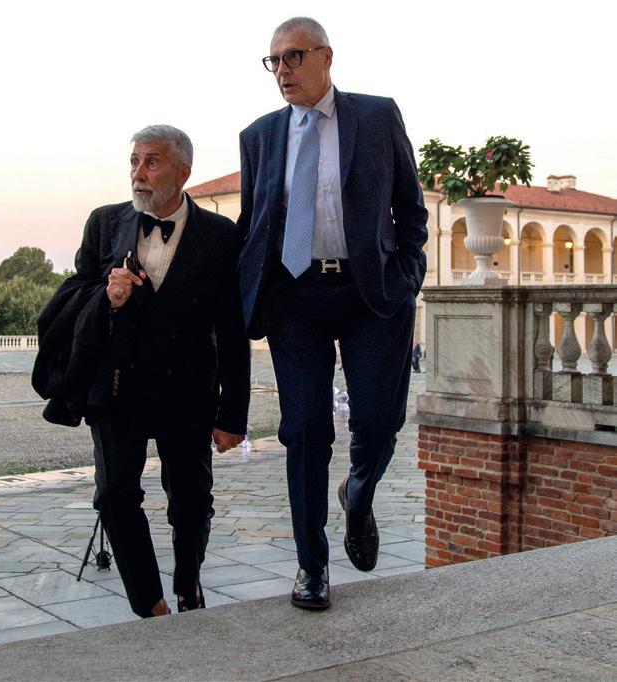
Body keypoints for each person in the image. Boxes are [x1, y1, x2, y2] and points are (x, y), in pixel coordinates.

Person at [237, 17, 428, 609]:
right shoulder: (259, 136)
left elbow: (411, 210)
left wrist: (407, 277)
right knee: (304, 430)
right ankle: (311, 566)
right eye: (274, 61)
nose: (282, 71)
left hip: (371, 296)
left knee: (378, 420)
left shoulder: (376, 116)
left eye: (293, 57)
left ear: (326, 56)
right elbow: (253, 224)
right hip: (295, 299)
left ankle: (359, 490)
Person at [32, 125, 250, 618]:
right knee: (113, 497)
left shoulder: (221, 236)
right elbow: (74, 292)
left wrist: (232, 415)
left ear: (182, 172)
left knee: (191, 503)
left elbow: (232, 330)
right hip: (115, 388)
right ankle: (149, 604)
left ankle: (188, 583)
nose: (138, 173)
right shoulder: (104, 223)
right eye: (134, 161)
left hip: (187, 392)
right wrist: (106, 297)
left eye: (152, 162)